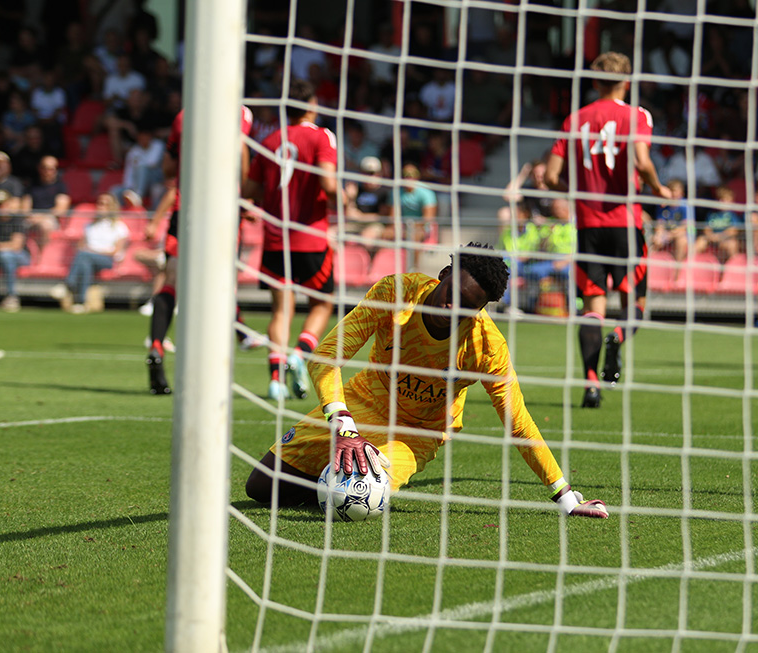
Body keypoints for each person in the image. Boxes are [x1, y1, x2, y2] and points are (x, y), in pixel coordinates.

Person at [244, 242, 608, 519]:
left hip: (416, 432)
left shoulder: (486, 346)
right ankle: (330, 474)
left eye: (467, 307)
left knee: (357, 504)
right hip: (363, 401)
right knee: (260, 487)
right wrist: (343, 423)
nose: (453, 310)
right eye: (453, 296)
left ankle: (335, 479)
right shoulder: (394, 293)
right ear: (445, 274)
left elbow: (518, 422)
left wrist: (564, 494)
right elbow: (326, 356)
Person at [544, 51, 671, 408]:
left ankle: (590, 386)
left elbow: (551, 177)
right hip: (625, 224)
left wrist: (576, 192)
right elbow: (642, 161)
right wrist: (659, 189)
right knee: (635, 304)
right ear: (627, 81)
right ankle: (618, 335)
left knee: (592, 308)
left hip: (588, 227)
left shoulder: (574, 120)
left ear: (594, 81)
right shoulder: (636, 116)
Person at [144, 104, 255, 395]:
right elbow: (241, 153)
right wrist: (245, 196)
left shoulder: (182, 115)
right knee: (220, 285)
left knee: (171, 280)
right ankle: (215, 369)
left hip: (187, 208)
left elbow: (168, 168)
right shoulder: (239, 112)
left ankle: (156, 345)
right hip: (222, 211)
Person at [242, 79, 338, 401]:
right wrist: (344, 195)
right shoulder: (322, 136)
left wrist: (261, 204)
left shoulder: (269, 140)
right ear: (312, 105)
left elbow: (249, 191)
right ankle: (300, 352)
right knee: (323, 303)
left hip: (274, 240)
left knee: (280, 310)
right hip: (310, 238)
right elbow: (327, 180)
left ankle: (274, 380)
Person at [49, 193, 128, 313]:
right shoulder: (90, 225)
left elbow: (116, 251)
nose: (101, 207)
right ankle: (80, 302)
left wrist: (92, 250)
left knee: (84, 256)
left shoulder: (119, 227)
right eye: (99, 203)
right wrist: (89, 251)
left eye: (105, 204)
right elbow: (81, 245)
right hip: (88, 258)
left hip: (107, 260)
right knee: (86, 264)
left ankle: (68, 285)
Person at [0, 188, 30, 312]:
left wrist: (0, 246)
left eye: (2, 204)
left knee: (7, 256)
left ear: (9, 203)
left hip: (21, 257)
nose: (0, 207)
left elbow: (16, 246)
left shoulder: (17, 219)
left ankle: (11, 296)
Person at [650, 179, 691, 261]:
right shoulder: (663, 205)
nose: (673, 194)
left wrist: (670, 235)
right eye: (671, 190)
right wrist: (659, 234)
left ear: (681, 193)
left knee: (681, 241)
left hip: (682, 234)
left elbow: (685, 227)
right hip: (667, 234)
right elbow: (659, 224)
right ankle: (650, 266)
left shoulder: (685, 205)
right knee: (654, 240)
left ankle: (677, 269)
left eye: (675, 191)